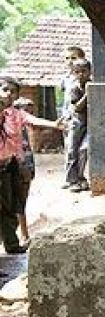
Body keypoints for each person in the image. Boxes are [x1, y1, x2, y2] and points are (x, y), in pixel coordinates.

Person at [0, 78, 63, 254]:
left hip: (9, 165)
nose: (9, 95)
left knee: (10, 207)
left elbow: (33, 120)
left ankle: (11, 245)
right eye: (5, 90)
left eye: (13, 92)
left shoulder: (15, 114)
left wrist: (54, 124)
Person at [64, 58, 91, 192]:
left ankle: (80, 177)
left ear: (89, 72)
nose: (81, 75)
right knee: (72, 151)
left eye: (84, 71)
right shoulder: (74, 88)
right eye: (77, 72)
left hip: (91, 123)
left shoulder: (92, 85)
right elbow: (77, 108)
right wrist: (87, 94)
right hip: (78, 122)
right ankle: (71, 180)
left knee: (84, 150)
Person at [13, 97, 36, 248]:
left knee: (20, 203)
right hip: (14, 168)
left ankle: (23, 235)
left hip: (23, 168)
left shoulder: (23, 131)